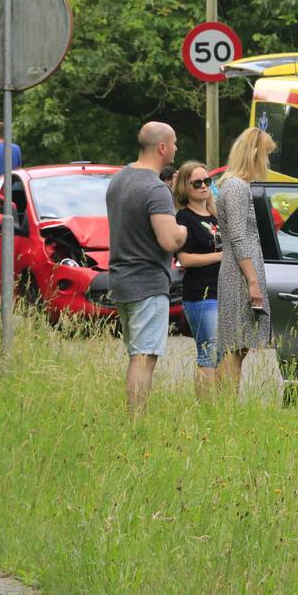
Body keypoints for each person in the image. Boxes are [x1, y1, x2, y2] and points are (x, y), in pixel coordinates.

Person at [106, 122, 187, 415]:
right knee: (144, 357)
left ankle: (134, 419)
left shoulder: (119, 179)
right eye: (174, 143)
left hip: (121, 279)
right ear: (162, 147)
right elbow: (169, 239)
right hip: (148, 282)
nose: (176, 148)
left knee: (135, 352)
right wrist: (184, 231)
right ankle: (136, 421)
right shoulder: (155, 188)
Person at [217, 128, 275, 388]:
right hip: (240, 274)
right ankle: (223, 408)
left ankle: (221, 406)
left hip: (240, 270)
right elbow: (239, 237)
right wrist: (252, 281)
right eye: (266, 155)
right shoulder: (237, 187)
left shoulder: (235, 186)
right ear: (253, 154)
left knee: (239, 347)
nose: (268, 162)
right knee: (235, 346)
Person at [172, 161, 222, 397]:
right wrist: (219, 256)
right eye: (197, 183)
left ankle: (222, 408)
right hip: (201, 294)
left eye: (207, 181)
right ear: (185, 187)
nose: (204, 186)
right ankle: (206, 409)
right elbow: (184, 259)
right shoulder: (183, 218)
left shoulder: (215, 215)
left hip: (222, 291)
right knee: (208, 355)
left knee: (223, 354)